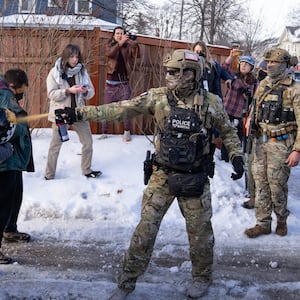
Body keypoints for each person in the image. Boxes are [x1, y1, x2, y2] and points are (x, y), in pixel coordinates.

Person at [57, 49, 244, 299]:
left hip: (195, 177)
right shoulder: (158, 98)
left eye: (178, 73)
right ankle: (126, 282)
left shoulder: (211, 103)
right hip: (162, 176)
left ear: (193, 74)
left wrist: (236, 156)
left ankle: (202, 277)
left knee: (200, 234)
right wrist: (80, 113)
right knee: (144, 231)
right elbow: (120, 109)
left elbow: (228, 132)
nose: (172, 77)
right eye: (170, 72)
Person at [244, 48, 300, 238]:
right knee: (260, 183)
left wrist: (297, 150)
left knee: (277, 185)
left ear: (284, 64)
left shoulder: (294, 89)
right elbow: (255, 108)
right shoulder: (262, 84)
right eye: (268, 62)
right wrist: (249, 121)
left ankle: (281, 219)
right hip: (261, 142)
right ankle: (263, 222)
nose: (269, 65)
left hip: (282, 143)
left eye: (274, 62)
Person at [44, 44, 101, 180]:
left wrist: (85, 90)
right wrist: (68, 91)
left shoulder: (82, 71)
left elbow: (91, 92)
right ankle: (49, 175)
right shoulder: (55, 72)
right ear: (66, 57)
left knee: (88, 143)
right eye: (71, 57)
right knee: (55, 146)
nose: (75, 60)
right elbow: (51, 94)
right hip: (61, 115)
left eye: (76, 57)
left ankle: (86, 170)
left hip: (78, 113)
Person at [0, 69, 33, 263]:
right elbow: (6, 128)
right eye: (21, 90)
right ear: (13, 86)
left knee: (14, 196)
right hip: (6, 161)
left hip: (13, 158)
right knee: (3, 204)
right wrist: (21, 126)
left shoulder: (5, 92)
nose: (21, 94)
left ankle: (9, 229)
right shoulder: (5, 97)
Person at [221, 51, 258, 209]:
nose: (243, 66)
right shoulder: (233, 76)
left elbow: (253, 100)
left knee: (237, 141)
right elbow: (224, 66)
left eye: (247, 64)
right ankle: (224, 162)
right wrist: (231, 56)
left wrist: (246, 95)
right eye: (242, 63)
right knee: (224, 139)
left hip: (240, 115)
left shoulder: (253, 82)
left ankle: (235, 164)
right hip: (226, 112)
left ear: (251, 67)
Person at [100, 26, 140, 142]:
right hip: (111, 82)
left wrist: (134, 44)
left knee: (126, 108)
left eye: (121, 33)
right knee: (107, 109)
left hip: (124, 83)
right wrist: (120, 43)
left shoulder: (128, 46)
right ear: (114, 35)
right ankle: (104, 133)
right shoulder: (109, 45)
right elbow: (110, 54)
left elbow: (137, 56)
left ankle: (127, 132)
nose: (119, 35)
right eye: (117, 33)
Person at [192, 41, 232, 150]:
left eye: (201, 51)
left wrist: (228, 79)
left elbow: (223, 73)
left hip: (210, 100)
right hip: (194, 101)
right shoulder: (191, 65)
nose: (199, 53)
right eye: (196, 51)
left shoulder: (212, 65)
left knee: (208, 129)